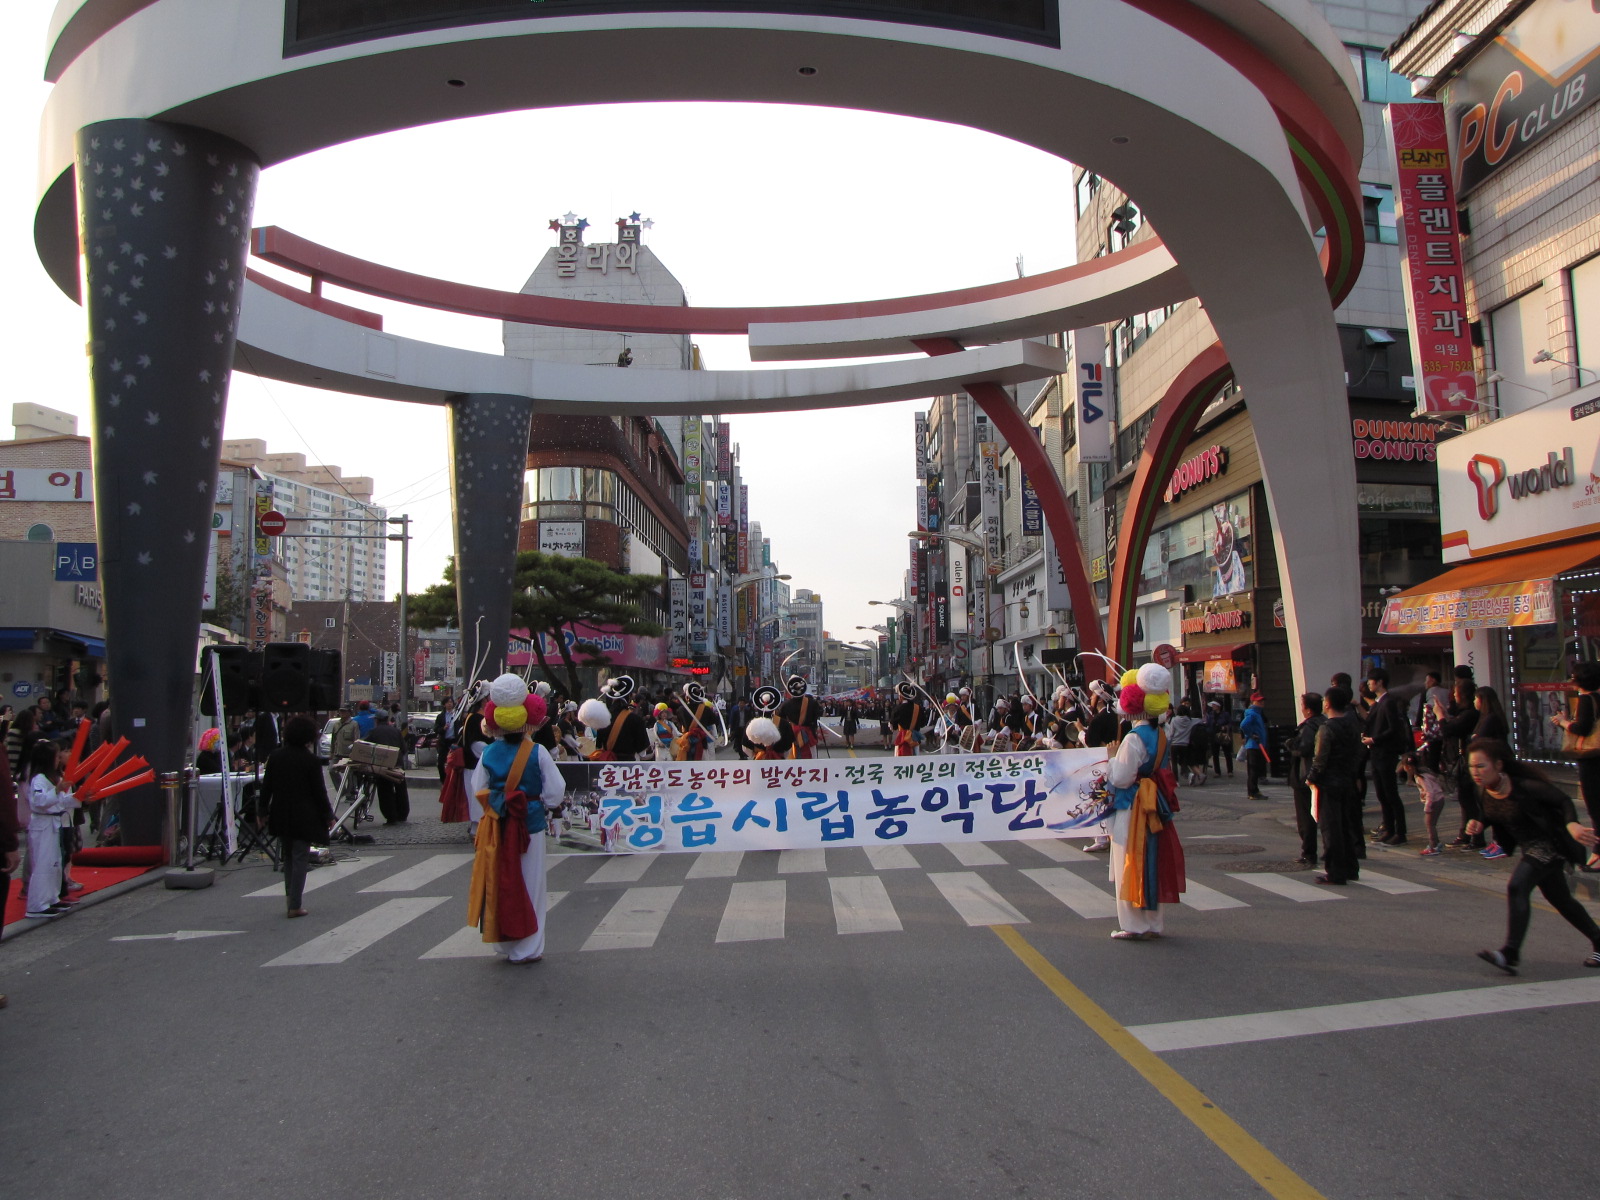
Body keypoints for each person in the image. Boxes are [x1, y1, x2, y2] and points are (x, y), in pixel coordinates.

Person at [1464, 738, 1600, 975]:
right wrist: (1479, 823)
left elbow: (1563, 800)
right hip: (1530, 848)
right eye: (1472, 767)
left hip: (1550, 846)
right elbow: (1492, 813)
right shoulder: (1484, 789)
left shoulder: (1524, 786)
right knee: (1562, 901)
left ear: (1498, 765)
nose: (1476, 772)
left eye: (1481, 766)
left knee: (1517, 886)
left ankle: (1510, 953)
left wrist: (1573, 825)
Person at [467, 677, 565, 965]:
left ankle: (504, 942)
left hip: (497, 824)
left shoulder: (488, 752)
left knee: (501, 881)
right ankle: (528, 947)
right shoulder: (537, 752)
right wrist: (543, 805)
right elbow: (555, 792)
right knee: (531, 885)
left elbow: (478, 790)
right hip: (530, 824)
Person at [1106, 664, 1184, 938]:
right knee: (1152, 859)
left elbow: (1121, 778)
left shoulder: (1133, 739)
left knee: (1129, 859)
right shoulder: (1160, 734)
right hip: (1154, 803)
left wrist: (1112, 758)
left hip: (1133, 803)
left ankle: (1133, 924)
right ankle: (1153, 922)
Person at [259, 715, 334, 919]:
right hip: (304, 814)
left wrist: (262, 811)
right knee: (300, 857)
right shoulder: (310, 760)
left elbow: (267, 788)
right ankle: (295, 904)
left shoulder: (275, 756)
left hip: (281, 812)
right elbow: (319, 792)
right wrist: (328, 815)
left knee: (288, 857)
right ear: (309, 737)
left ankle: (289, 898)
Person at [1305, 686, 1362, 885]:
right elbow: (1358, 752)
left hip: (1329, 782)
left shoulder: (1327, 728)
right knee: (1347, 825)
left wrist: (1311, 777)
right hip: (1347, 778)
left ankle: (1335, 871)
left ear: (1327, 703)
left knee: (1331, 828)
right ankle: (1351, 867)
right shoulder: (1352, 723)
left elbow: (1320, 758)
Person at [1550, 661, 1600, 872]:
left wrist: (1563, 722)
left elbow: (1582, 728)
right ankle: (1597, 853)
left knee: (1595, 807)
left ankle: (1598, 854)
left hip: (1591, 758)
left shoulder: (1586, 699)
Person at [24, 740, 78, 918]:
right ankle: (37, 904)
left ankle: (51, 897)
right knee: (43, 863)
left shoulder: (53, 777)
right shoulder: (38, 779)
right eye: (56, 756)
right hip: (43, 824)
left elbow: (62, 799)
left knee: (55, 862)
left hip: (53, 822)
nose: (58, 759)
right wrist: (56, 790)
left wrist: (78, 797)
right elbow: (39, 802)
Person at [1362, 668, 1412, 845]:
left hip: (1385, 752)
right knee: (1382, 794)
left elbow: (1393, 729)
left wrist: (1374, 739)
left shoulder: (1388, 702)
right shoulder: (1378, 703)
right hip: (1376, 753)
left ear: (1380, 681)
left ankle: (1399, 831)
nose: (1369, 683)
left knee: (1390, 793)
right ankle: (1389, 828)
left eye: (1371, 680)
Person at [1287, 692, 1324, 867]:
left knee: (1306, 818)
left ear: (1308, 710)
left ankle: (1309, 853)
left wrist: (1292, 745)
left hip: (1305, 775)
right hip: (1323, 775)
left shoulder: (1309, 726)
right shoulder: (1325, 723)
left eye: (1302, 705)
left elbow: (1304, 748)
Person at [1399, 751, 1448, 857]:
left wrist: (1428, 806)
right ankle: (1436, 844)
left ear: (1408, 767)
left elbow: (1430, 792)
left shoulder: (1420, 777)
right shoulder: (1423, 773)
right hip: (1438, 799)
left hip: (1434, 800)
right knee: (1431, 823)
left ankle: (1433, 845)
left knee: (1430, 824)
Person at [364, 710, 409, 823]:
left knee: (385, 792)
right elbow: (404, 748)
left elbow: (366, 747)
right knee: (401, 789)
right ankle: (403, 814)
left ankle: (391, 816)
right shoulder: (396, 731)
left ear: (377, 720)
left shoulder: (373, 732)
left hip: (382, 766)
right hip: (397, 764)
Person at [777, 676, 821, 759]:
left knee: (792, 758)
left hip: (791, 735)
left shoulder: (785, 705)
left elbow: (781, 720)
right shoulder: (813, 703)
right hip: (809, 734)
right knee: (812, 757)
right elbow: (817, 715)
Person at [1239, 692, 1269, 800]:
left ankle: (1255, 790)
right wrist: (1251, 734)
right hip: (1253, 745)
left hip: (1258, 745)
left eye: (1262, 701)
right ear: (1253, 702)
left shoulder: (1257, 713)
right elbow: (1243, 725)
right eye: (1259, 701)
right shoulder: (1252, 713)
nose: (1262, 703)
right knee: (1253, 770)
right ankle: (1252, 792)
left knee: (1256, 769)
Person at [889, 683, 928, 756]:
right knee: (915, 759)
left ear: (901, 696)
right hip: (915, 739)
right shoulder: (918, 708)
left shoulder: (898, 709)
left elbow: (893, 727)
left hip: (902, 739)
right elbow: (923, 723)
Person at [1206, 700, 1235, 778]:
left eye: (1214, 705)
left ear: (1219, 706)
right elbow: (1208, 725)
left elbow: (1231, 723)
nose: (1213, 706)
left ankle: (1230, 771)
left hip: (1223, 735)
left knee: (1227, 753)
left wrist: (1225, 727)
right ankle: (1217, 771)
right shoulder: (1210, 714)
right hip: (1214, 735)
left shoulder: (1225, 714)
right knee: (1215, 754)